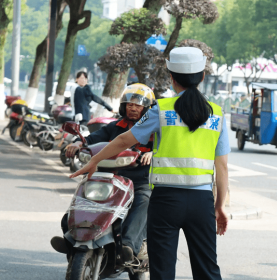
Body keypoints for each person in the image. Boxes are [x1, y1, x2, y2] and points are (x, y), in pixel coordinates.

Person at [69, 47, 230, 280]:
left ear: (172, 78)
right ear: (202, 77)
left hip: (165, 202)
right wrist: (220, 206)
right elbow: (222, 167)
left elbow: (125, 139)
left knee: (162, 271)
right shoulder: (217, 114)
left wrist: (95, 160)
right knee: (207, 271)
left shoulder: (160, 110)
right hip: (201, 202)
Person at [51, 83, 156, 264]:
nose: (132, 108)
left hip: (140, 179)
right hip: (111, 177)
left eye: (137, 105)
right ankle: (71, 238)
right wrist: (77, 143)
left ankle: (128, 246)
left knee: (144, 201)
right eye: (129, 105)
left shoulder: (154, 129)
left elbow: (166, 147)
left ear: (147, 109)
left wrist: (153, 153)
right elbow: (93, 138)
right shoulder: (114, 127)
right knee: (82, 197)